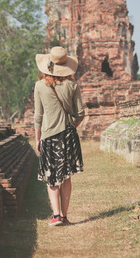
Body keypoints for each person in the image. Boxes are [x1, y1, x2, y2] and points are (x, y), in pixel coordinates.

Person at [34, 46, 85, 227]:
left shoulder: (40, 86)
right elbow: (80, 114)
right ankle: (64, 216)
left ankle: (56, 215)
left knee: (51, 176)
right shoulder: (73, 86)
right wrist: (71, 126)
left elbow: (38, 116)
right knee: (66, 176)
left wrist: (37, 138)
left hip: (49, 136)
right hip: (69, 136)